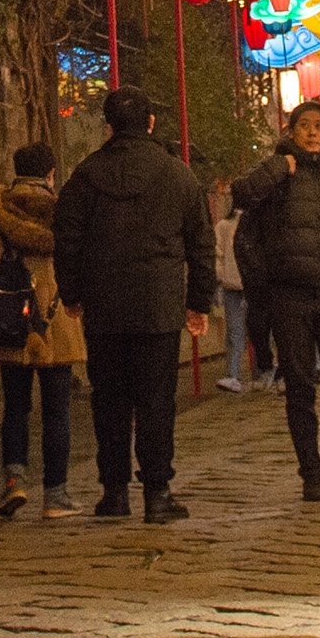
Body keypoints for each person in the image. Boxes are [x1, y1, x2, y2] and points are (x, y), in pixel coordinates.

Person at [51, 87, 214, 523]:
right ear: (151, 124)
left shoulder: (86, 175)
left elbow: (66, 238)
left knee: (109, 401)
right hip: (158, 305)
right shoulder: (177, 175)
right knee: (156, 401)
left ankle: (115, 493)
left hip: (104, 307)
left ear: (108, 126)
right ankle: (158, 493)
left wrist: (72, 293)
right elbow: (201, 243)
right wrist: (198, 301)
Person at [233, 101, 320, 499]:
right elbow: (241, 196)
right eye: (304, 126)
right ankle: (310, 470)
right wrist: (279, 166)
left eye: (319, 126)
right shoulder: (276, 175)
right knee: (300, 383)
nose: (312, 133)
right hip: (287, 293)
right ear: (291, 132)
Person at [0, 141, 85, 518]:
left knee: (15, 407)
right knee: (57, 410)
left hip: (11, 313)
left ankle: (14, 482)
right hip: (55, 316)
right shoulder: (64, 211)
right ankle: (55, 495)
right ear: (50, 173)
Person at [205, 178, 263, 394]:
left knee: (257, 330)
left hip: (254, 285)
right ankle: (233, 374)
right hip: (233, 285)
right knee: (235, 331)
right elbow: (217, 254)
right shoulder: (224, 226)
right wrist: (223, 275)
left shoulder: (256, 224)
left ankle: (259, 371)